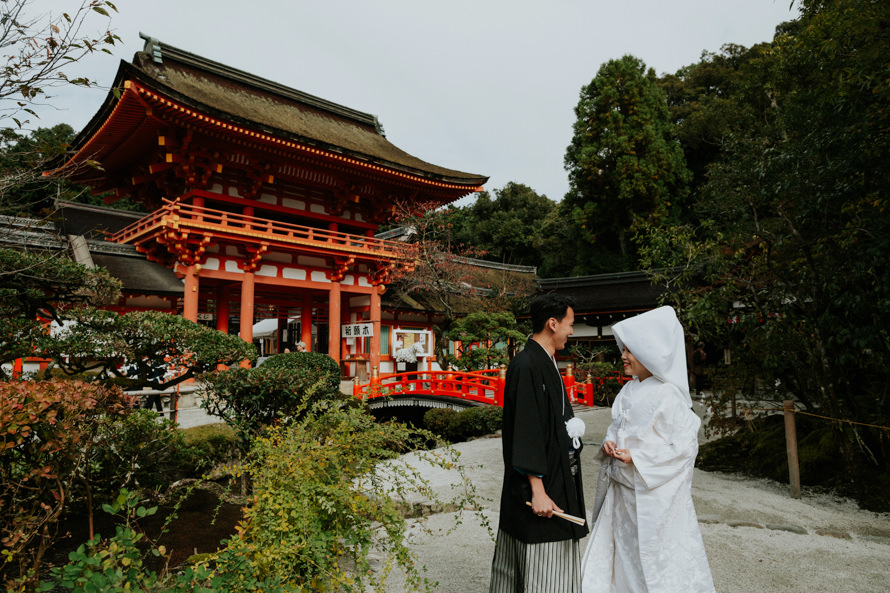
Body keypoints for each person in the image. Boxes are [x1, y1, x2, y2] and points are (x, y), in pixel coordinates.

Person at [580, 306, 715, 593]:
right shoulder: (628, 390)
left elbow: (684, 447)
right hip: (622, 493)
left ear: (650, 352)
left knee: (653, 562)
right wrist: (610, 442)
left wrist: (639, 458)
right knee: (622, 556)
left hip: (652, 496)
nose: (623, 356)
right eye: (624, 349)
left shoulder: (669, 395)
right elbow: (618, 427)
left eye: (630, 350)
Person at [489, 293, 588, 593]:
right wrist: (538, 489)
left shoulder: (544, 361)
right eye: (570, 325)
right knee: (541, 563)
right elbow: (526, 430)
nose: (572, 331)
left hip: (556, 475)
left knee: (545, 565)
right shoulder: (527, 364)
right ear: (552, 323)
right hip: (540, 487)